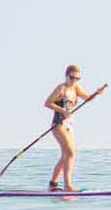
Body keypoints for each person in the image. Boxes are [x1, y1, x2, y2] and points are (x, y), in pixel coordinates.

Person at [44, 64, 104, 192]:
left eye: (78, 79)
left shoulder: (75, 88)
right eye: (72, 78)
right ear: (66, 76)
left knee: (66, 154)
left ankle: (52, 184)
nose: (74, 81)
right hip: (58, 124)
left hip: (68, 124)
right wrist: (62, 110)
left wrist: (97, 93)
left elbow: (87, 98)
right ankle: (67, 185)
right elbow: (47, 103)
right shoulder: (61, 88)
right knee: (70, 153)